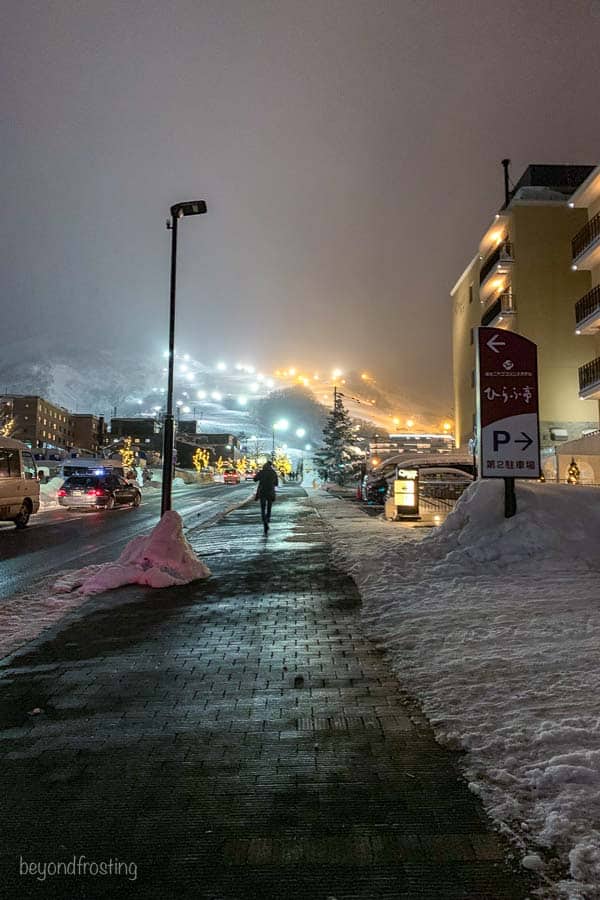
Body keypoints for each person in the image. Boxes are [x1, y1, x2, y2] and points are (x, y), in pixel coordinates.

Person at [253, 460, 279, 534]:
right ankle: (268, 518)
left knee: (263, 507)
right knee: (269, 506)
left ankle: (264, 521)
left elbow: (255, 479)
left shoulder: (262, 472)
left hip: (262, 492)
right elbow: (276, 483)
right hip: (270, 492)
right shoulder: (273, 473)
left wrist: (259, 475)